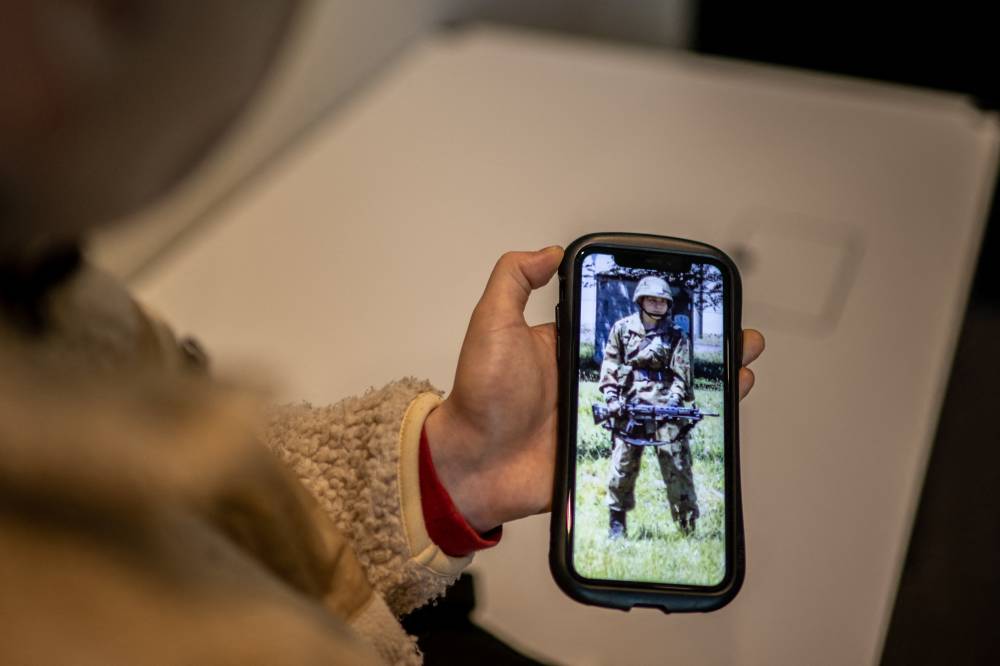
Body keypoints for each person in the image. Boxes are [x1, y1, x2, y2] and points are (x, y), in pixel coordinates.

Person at [0, 2, 765, 663]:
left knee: (674, 485)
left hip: (649, 428)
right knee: (623, 485)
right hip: (626, 422)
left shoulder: (44, 286)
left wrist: (453, 462)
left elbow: (221, 501)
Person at [599, 276, 699, 539]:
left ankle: (687, 525)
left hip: (666, 409)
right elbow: (610, 364)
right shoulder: (622, 329)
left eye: (662, 301)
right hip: (629, 406)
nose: (657, 305)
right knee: (622, 465)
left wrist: (673, 402)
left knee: (678, 466)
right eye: (652, 300)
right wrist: (612, 398)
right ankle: (617, 524)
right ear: (641, 300)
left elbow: (682, 376)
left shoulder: (676, 335)